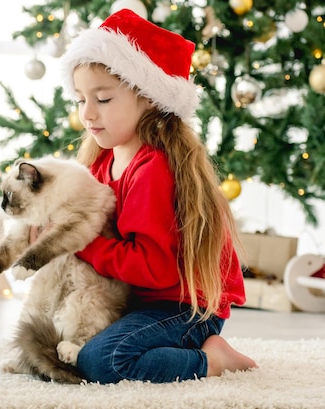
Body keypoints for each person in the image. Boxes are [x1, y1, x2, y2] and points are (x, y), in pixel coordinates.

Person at [57, 8, 258, 383]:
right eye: (80, 99)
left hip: (182, 306)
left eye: (102, 99)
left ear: (148, 97)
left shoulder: (154, 169)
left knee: (104, 361)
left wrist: (80, 241)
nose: (86, 113)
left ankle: (211, 359)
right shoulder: (103, 160)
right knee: (57, 344)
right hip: (136, 300)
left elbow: (152, 267)